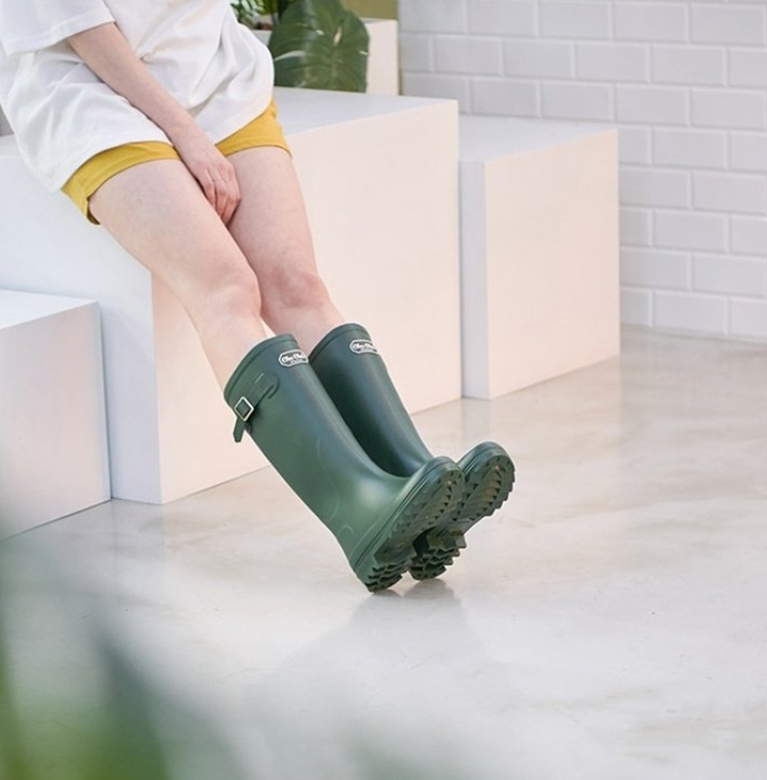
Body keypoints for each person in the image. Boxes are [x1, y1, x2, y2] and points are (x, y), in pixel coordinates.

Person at [0, 0, 515, 591]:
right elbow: (80, 27)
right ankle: (360, 506)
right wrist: (185, 135)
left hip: (216, 73)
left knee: (297, 283)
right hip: (91, 89)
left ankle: (418, 480)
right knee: (225, 286)